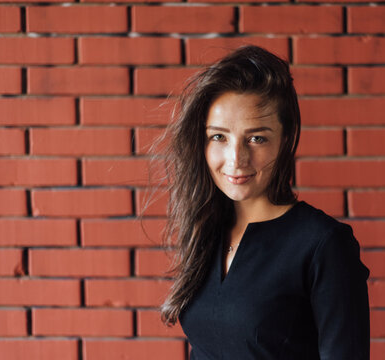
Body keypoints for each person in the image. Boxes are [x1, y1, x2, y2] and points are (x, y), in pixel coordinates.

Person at [158, 45, 370, 359]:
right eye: (219, 137)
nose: (236, 159)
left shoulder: (323, 245)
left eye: (257, 138)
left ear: (285, 140)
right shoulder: (208, 228)